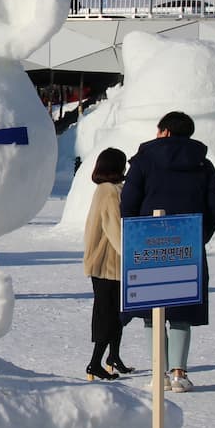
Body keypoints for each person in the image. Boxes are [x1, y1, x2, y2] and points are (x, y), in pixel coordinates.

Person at [120, 111, 215, 393]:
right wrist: (199, 235)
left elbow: (128, 201)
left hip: (148, 242)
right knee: (182, 308)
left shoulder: (144, 160)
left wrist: (135, 234)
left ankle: (159, 373)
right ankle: (180, 373)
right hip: (187, 241)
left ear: (164, 131)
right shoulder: (203, 163)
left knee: (151, 311)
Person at [82, 147, 130, 381]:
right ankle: (95, 363)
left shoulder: (104, 190)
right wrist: (130, 254)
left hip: (106, 261)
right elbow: (114, 228)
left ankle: (113, 357)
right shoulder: (110, 191)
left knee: (115, 311)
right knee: (108, 313)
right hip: (108, 263)